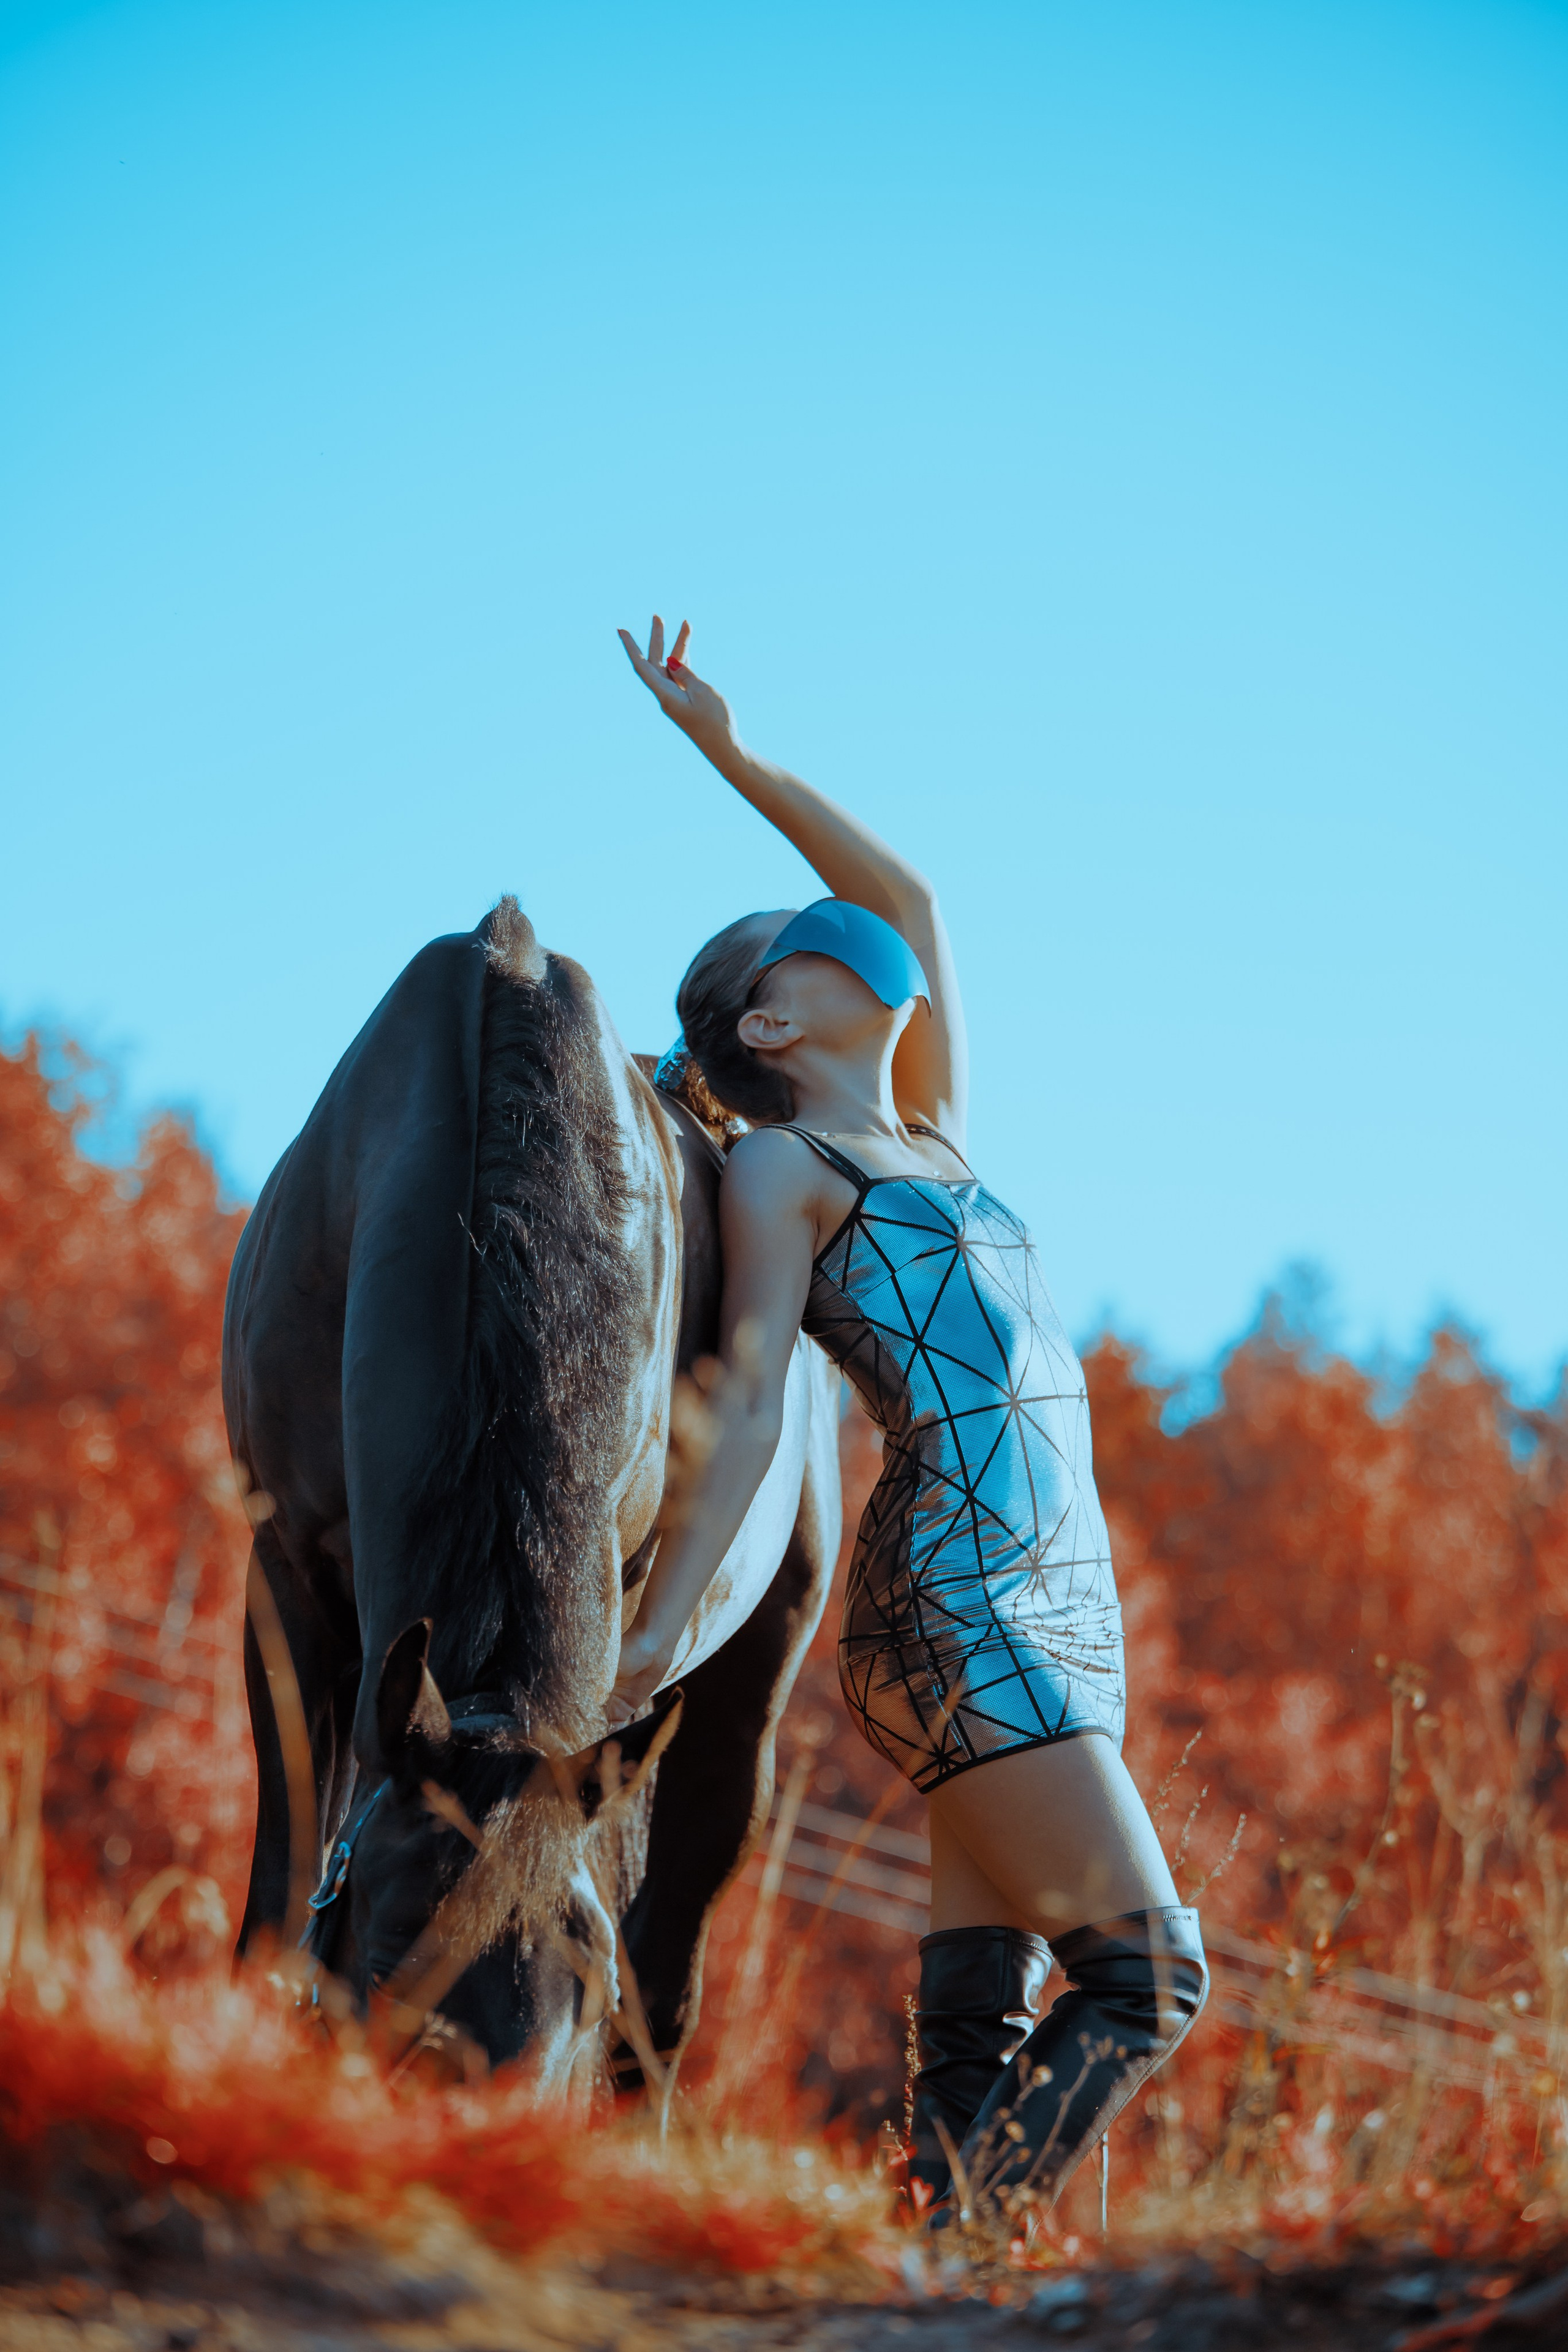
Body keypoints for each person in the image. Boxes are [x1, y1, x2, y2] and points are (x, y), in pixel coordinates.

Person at [608, 617, 1208, 2226]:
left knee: (978, 2029)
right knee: (1151, 1979)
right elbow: (743, 1416)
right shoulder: (786, 1171)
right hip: (959, 1605)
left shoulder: (934, 1132)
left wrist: (734, 757)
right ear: (767, 1029)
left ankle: (944, 2277)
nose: (850, 937)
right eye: (804, 941)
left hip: (1068, 1614)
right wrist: (659, 1639)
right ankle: (959, 2262)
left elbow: (914, 902)